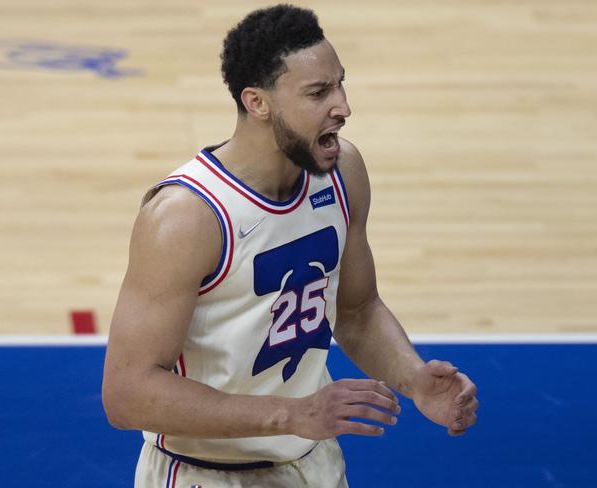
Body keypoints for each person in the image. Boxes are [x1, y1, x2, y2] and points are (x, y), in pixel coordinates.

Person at [102, 4, 479, 487]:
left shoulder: (343, 173)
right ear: (258, 103)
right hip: (206, 474)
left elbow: (358, 311)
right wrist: (291, 415)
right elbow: (127, 394)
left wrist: (414, 379)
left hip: (314, 465)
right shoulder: (186, 218)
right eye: (319, 92)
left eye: (341, 84)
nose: (343, 106)